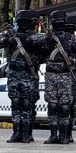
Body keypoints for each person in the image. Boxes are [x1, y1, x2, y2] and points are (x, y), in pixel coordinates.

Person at [0, 10, 45, 143]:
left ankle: (26, 134)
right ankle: (16, 133)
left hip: (29, 74)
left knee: (27, 104)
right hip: (14, 75)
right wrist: (8, 39)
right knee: (16, 104)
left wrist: (31, 45)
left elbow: (45, 48)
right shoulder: (11, 35)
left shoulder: (35, 37)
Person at [41, 10, 76, 144]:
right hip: (51, 74)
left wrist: (71, 61)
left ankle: (63, 136)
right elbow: (41, 52)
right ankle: (53, 135)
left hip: (65, 74)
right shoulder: (47, 38)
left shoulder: (70, 37)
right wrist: (47, 41)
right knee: (52, 105)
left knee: (64, 106)